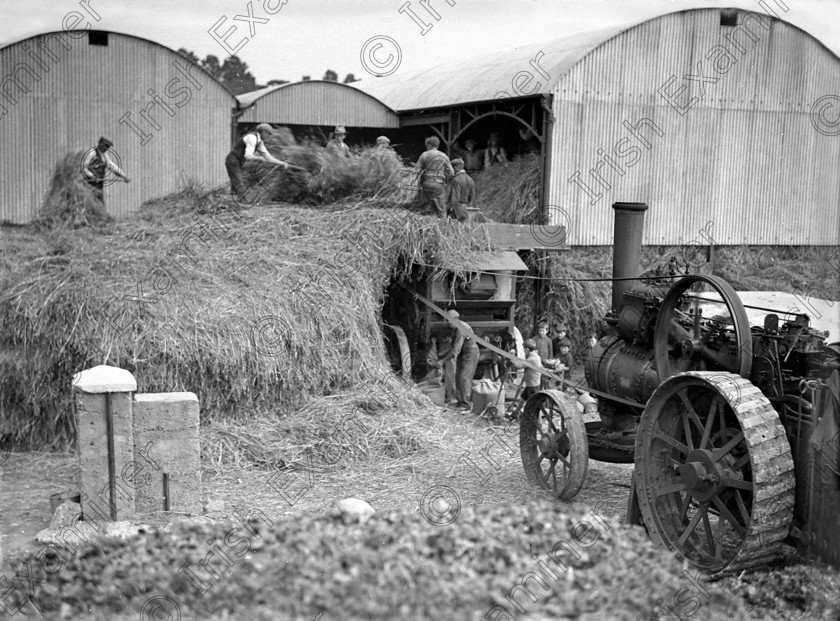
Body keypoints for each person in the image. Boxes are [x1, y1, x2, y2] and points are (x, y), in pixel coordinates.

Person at [225, 123, 289, 200]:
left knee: (236, 181)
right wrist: (260, 158)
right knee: (238, 181)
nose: (269, 137)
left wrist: (282, 163)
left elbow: (268, 157)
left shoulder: (259, 142)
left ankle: (233, 199)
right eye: (269, 134)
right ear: (264, 133)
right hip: (233, 160)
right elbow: (247, 155)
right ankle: (243, 201)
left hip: (238, 161)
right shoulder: (252, 138)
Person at [434, 310, 479, 410]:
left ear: (455, 319)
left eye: (449, 320)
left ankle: (466, 404)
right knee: (458, 377)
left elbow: (455, 351)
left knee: (464, 377)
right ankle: (459, 402)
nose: (447, 322)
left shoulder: (460, 328)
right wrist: (440, 355)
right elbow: (453, 347)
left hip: (470, 352)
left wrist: (442, 361)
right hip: (464, 352)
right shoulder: (454, 328)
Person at [82, 137, 130, 204]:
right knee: (90, 204)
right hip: (88, 185)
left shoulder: (104, 155)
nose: (106, 148)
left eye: (107, 147)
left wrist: (123, 176)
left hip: (98, 186)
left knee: (100, 205)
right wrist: (92, 177)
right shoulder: (91, 153)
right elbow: (84, 168)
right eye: (105, 146)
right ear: (99, 143)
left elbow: (111, 166)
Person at [415, 136, 454, 218]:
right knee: (440, 209)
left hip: (427, 183)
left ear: (429, 144)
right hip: (439, 184)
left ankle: (424, 225)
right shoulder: (444, 156)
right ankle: (442, 225)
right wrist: (445, 180)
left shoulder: (424, 155)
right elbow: (451, 172)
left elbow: (416, 171)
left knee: (424, 208)